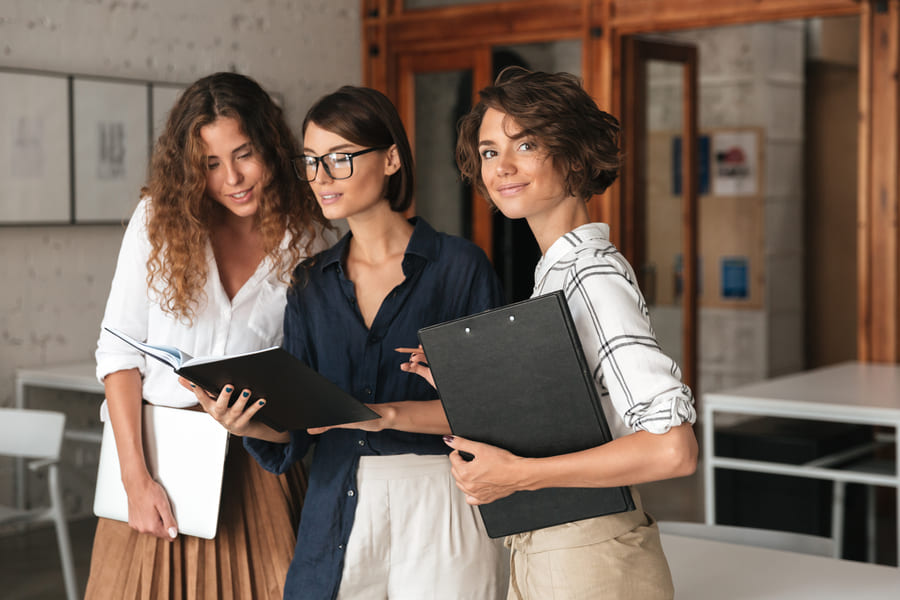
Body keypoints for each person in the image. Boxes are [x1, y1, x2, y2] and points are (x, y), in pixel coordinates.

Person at [191, 85, 509, 600]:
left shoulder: (459, 268)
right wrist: (245, 422)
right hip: (336, 502)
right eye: (311, 161)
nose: (321, 178)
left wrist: (382, 414)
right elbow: (298, 431)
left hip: (441, 500)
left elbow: (490, 410)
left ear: (390, 159)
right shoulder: (310, 283)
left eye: (340, 159)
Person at [417, 67, 698, 598]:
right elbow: (587, 415)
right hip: (555, 544)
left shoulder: (591, 276)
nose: (502, 167)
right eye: (489, 151)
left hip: (586, 553)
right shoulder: (558, 273)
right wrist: (477, 390)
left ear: (572, 154)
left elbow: (672, 450)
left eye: (526, 144)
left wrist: (517, 474)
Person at [88, 72, 333, 599]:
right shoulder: (157, 221)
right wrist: (136, 478)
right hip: (159, 463)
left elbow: (308, 365)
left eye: (244, 154)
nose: (233, 178)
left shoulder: (309, 234)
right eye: (211, 164)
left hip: (259, 466)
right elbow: (119, 352)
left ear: (270, 145)